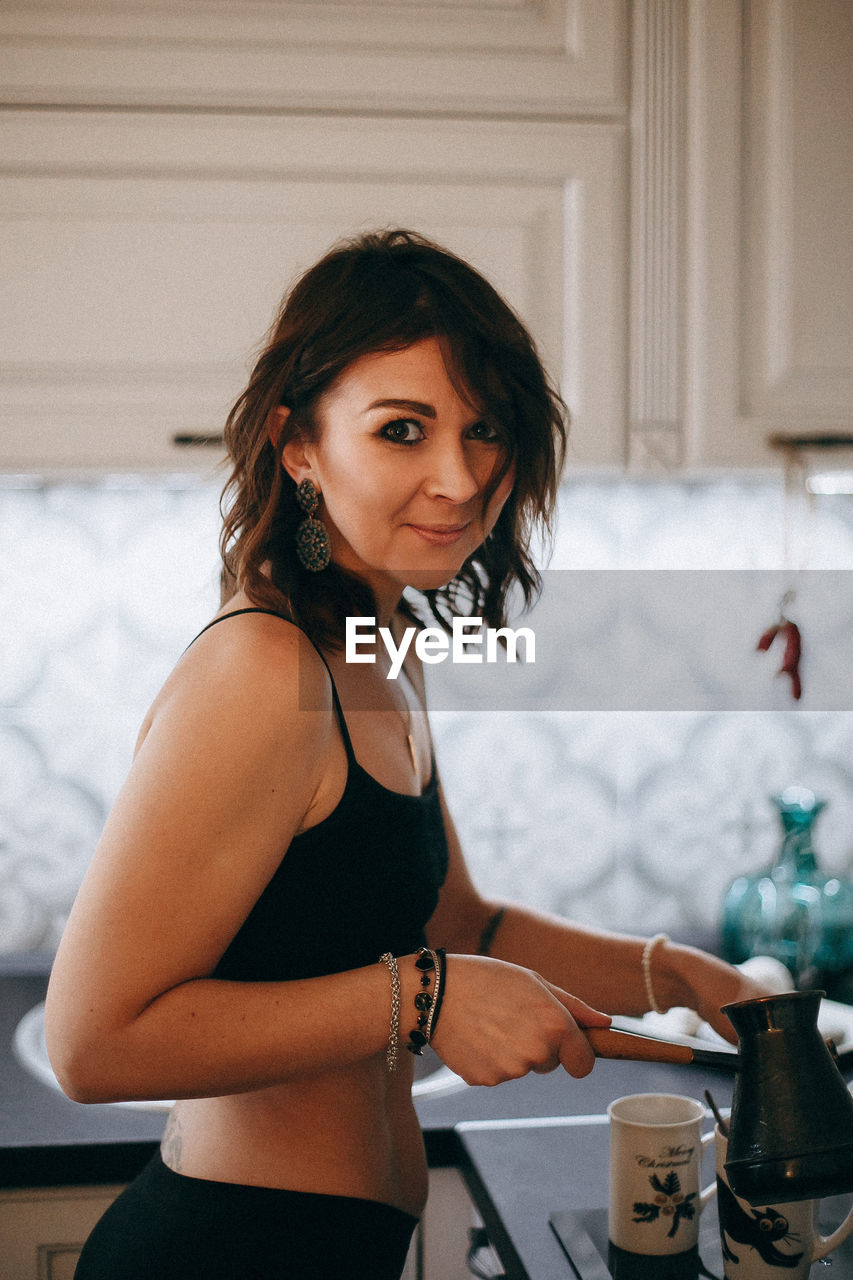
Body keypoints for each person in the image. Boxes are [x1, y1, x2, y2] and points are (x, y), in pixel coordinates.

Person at [46, 229, 766, 1280]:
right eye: (401, 429)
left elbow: (455, 923)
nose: (459, 477)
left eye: (483, 430)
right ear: (299, 444)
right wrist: (425, 997)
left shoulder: (383, 647)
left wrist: (679, 974)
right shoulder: (260, 670)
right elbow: (92, 1043)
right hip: (230, 1246)